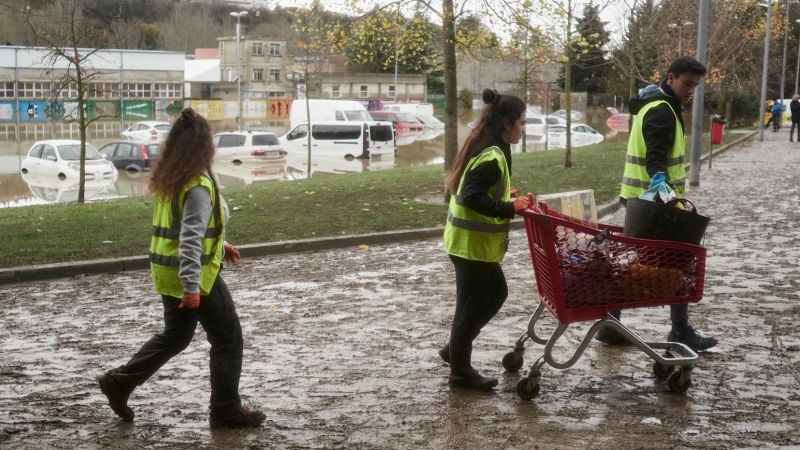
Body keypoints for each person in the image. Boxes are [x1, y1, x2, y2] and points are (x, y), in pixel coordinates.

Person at [96, 107, 266, 429]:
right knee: (228, 338)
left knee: (176, 336)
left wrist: (221, 244)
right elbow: (189, 239)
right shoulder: (197, 185)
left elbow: (187, 230)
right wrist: (191, 288)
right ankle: (226, 409)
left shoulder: (172, 179)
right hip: (195, 276)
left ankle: (119, 382)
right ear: (204, 147)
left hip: (168, 272)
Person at [601, 56, 717, 351]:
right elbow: (655, 159)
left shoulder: (655, 105)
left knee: (651, 262)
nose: (691, 90)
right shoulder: (662, 111)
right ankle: (679, 331)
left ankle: (609, 323)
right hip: (652, 202)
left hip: (641, 199)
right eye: (687, 83)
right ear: (670, 78)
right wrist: (664, 194)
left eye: (695, 85)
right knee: (675, 262)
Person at [438, 88, 530, 390]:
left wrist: (506, 195)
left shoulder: (493, 147)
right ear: (506, 123)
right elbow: (470, 197)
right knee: (473, 305)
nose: (523, 128)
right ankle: (460, 372)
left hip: (472, 245)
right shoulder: (491, 154)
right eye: (521, 123)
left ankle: (455, 350)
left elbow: (481, 189)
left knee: (493, 295)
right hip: (469, 246)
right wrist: (507, 207)